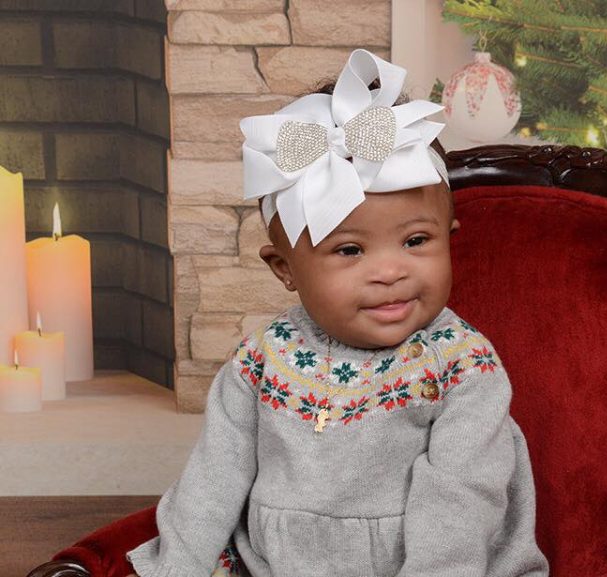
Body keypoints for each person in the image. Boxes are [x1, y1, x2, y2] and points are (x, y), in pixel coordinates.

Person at [125, 48, 549, 577]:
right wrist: (177, 569)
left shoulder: (463, 365)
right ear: (285, 269)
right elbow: (213, 477)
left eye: (416, 240)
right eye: (350, 250)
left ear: (449, 240)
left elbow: (462, 498)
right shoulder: (263, 360)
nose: (390, 271)